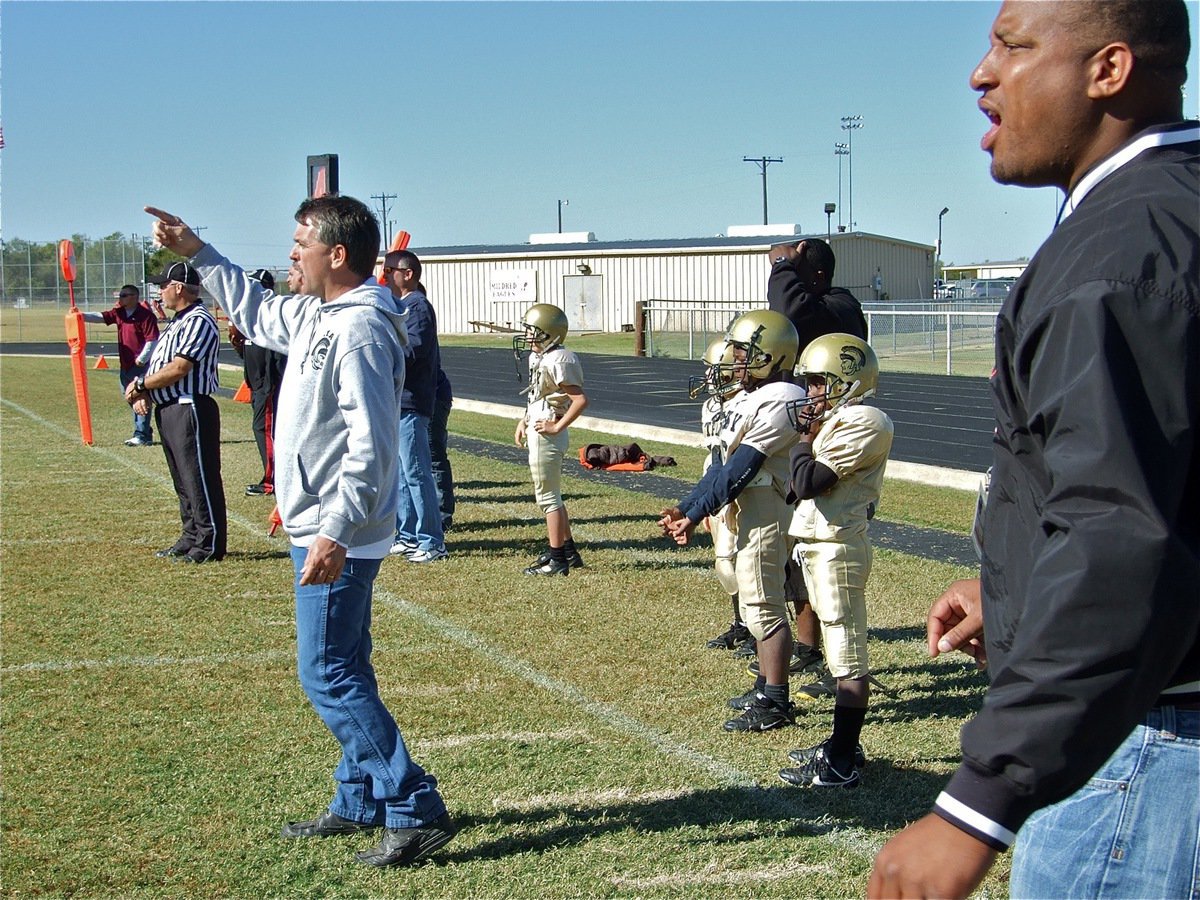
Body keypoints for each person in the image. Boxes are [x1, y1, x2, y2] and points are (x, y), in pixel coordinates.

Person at [869, 2, 1198, 898]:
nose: (981, 73)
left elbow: (1121, 535)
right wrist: (1018, 580)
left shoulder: (1118, 253)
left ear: (1109, 70)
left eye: (1012, 47)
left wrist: (980, 800)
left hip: (1150, 748)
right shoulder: (1173, 211)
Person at [146, 196, 455, 868]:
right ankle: (358, 796)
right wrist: (198, 252)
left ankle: (412, 802)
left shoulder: (363, 329)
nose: (289, 253)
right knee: (348, 664)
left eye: (299, 243)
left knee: (327, 673)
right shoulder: (322, 312)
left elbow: (372, 448)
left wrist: (336, 531)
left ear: (336, 254)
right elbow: (257, 314)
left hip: (337, 528)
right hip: (322, 522)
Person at [659, 310, 805, 732]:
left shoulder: (783, 396)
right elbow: (719, 469)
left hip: (766, 506)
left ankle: (776, 701)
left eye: (745, 352)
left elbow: (743, 467)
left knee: (763, 605)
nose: (735, 361)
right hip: (749, 506)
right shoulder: (753, 397)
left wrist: (697, 512)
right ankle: (765, 685)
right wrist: (687, 509)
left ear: (772, 356)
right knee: (754, 596)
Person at [776, 333, 892, 788]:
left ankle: (841, 760)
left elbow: (806, 481)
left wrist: (805, 438)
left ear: (847, 380)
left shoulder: (867, 421)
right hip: (822, 542)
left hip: (838, 546)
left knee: (846, 658)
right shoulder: (842, 419)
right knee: (842, 651)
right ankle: (843, 744)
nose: (811, 394)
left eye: (820, 383)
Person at [766, 236, 869, 693]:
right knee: (795, 554)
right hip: (809, 434)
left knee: (828, 563)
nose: (781, 273)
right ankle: (809, 648)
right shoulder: (816, 302)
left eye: (793, 268)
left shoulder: (840, 305)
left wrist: (782, 267)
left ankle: (840, 666)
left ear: (817, 276)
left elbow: (789, 309)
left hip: (833, 442)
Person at [124, 263, 226, 563]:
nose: (160, 292)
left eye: (163, 285)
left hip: (189, 405)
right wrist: (144, 392)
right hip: (170, 407)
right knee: (182, 480)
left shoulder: (198, 320)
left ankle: (208, 542)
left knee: (198, 477)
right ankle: (191, 535)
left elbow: (179, 368)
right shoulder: (178, 322)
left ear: (179, 287)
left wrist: (141, 383)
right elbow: (161, 366)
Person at [381, 251, 447, 563]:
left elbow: (413, 349)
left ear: (408, 274)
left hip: (411, 402)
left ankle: (432, 540)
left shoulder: (416, 306)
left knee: (417, 471)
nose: (384, 275)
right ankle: (407, 535)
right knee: (403, 474)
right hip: (399, 402)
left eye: (390, 269)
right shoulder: (401, 306)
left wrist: (382, 351)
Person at [514, 303, 589, 576]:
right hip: (539, 425)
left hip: (547, 433)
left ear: (550, 333)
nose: (528, 336)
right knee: (551, 495)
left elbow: (580, 400)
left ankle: (558, 560)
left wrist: (556, 427)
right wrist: (524, 419)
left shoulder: (559, 359)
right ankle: (568, 551)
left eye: (534, 332)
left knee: (548, 498)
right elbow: (538, 396)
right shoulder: (541, 358)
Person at [692, 339, 750, 654]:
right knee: (724, 560)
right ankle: (742, 623)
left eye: (712, 369)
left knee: (740, 561)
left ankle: (756, 628)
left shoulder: (746, 402)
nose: (706, 375)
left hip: (739, 485)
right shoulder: (712, 404)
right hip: (716, 482)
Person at [229, 268, 288, 497]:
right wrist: (236, 344)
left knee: (265, 430)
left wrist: (271, 386)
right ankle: (272, 477)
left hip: (269, 386)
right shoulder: (249, 318)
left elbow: (278, 358)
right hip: (257, 384)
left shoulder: (271, 318)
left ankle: (271, 481)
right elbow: (249, 355)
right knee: (263, 429)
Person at [82, 284, 160, 446]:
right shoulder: (120, 313)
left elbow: (152, 339)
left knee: (139, 397)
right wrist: (80, 316)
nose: (120, 298)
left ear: (133, 297)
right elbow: (101, 317)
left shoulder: (145, 316)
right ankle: (145, 431)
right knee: (130, 396)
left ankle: (141, 435)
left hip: (140, 366)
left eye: (124, 295)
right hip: (125, 364)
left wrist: (142, 358)